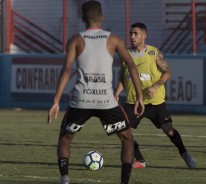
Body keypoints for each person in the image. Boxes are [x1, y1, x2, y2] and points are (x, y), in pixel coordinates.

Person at [47, 1, 144, 184]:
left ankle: (65, 178)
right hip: (106, 101)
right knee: (127, 139)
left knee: (65, 139)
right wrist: (139, 96)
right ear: (102, 18)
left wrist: (56, 101)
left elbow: (67, 70)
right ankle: (124, 182)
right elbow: (131, 65)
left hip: (81, 100)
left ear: (82, 19)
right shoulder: (113, 39)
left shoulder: (75, 40)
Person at [115, 22, 196, 169]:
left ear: (144, 36)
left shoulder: (154, 53)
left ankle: (184, 153)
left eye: (135, 34)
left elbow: (168, 73)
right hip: (133, 102)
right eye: (131, 34)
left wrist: (155, 86)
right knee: (122, 132)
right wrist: (116, 93)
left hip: (155, 102)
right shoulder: (125, 54)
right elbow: (123, 76)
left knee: (169, 131)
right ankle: (140, 160)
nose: (132, 37)